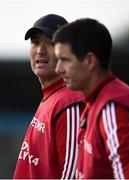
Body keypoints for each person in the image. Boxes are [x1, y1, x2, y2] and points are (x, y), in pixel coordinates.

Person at [52, 18, 129, 179]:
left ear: (90, 61)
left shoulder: (112, 107)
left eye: (65, 60)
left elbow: (127, 171)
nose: (58, 69)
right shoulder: (101, 98)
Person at [13, 14, 84, 179]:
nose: (40, 51)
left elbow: (73, 175)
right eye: (35, 42)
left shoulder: (69, 101)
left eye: (51, 43)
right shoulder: (53, 96)